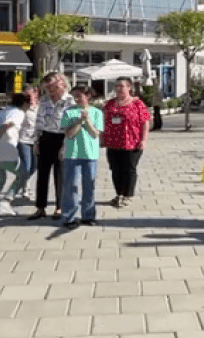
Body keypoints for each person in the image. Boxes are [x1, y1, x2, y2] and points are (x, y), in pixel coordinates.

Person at [29, 72, 75, 220]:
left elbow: (73, 123)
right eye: (48, 87)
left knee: (60, 174)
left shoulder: (69, 101)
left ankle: (60, 207)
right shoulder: (44, 100)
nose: (50, 89)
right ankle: (40, 207)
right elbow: (39, 120)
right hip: (45, 136)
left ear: (61, 83)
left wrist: (66, 144)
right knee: (42, 173)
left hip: (62, 137)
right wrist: (36, 141)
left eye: (52, 86)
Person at [102, 76, 151, 208]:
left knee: (129, 169)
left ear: (129, 87)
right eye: (117, 86)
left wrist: (144, 140)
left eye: (122, 86)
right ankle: (119, 193)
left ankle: (127, 195)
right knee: (115, 169)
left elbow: (145, 122)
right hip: (113, 142)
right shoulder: (109, 103)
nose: (118, 89)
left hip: (132, 142)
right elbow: (102, 119)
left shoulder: (137, 104)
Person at [60, 85, 104, 229]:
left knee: (89, 186)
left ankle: (88, 215)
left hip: (90, 154)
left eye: (79, 96)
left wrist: (88, 120)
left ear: (88, 96)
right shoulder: (68, 112)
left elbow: (95, 133)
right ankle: (69, 217)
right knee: (71, 186)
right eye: (75, 96)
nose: (77, 99)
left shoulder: (97, 112)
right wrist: (79, 121)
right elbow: (69, 133)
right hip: (72, 154)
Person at [0, 93, 29, 214]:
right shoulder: (18, 113)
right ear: (24, 103)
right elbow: (5, 126)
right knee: (23, 174)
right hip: (5, 152)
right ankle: (6, 201)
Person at [16, 85, 39, 199]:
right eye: (25, 95)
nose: (28, 98)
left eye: (30, 95)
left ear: (35, 94)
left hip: (36, 140)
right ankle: (25, 188)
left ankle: (23, 182)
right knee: (26, 166)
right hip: (23, 139)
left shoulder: (40, 107)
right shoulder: (20, 108)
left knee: (35, 166)